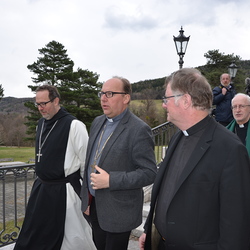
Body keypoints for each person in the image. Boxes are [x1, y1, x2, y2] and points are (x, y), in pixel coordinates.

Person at [139, 68, 250, 250]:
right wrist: (149, 229)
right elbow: (165, 192)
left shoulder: (230, 148)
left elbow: (236, 225)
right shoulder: (177, 136)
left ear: (185, 100)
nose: (164, 104)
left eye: (166, 99)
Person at [14, 85, 96, 250]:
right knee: (35, 235)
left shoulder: (74, 125)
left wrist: (87, 197)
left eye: (44, 103)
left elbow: (87, 164)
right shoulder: (41, 124)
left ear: (56, 100)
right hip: (42, 190)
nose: (40, 108)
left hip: (65, 192)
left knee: (70, 239)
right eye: (38, 104)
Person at [81, 76, 157, 250]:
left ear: (126, 98)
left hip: (119, 212)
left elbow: (149, 172)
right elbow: (90, 160)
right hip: (94, 206)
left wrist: (111, 180)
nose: (103, 98)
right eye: (102, 93)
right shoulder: (97, 122)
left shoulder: (139, 130)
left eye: (110, 93)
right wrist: (86, 198)